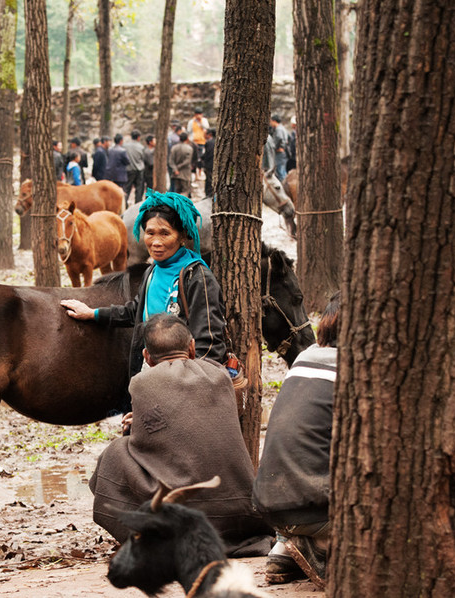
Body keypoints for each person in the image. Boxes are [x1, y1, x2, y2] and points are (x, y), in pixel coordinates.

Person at [89, 315, 272, 555]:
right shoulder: (219, 375)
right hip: (240, 513)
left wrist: (140, 422)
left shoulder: (141, 382)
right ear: (192, 347)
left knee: (115, 453)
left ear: (147, 357)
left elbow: (145, 448)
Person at [60, 190, 228, 412]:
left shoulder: (197, 277)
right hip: (151, 382)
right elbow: (135, 311)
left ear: (182, 235)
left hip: (183, 390)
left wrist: (183, 397)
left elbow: (210, 347)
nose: (155, 242)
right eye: (150, 233)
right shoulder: (152, 271)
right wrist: (94, 314)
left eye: (165, 234)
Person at [252, 292, 341, 590]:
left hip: (269, 502)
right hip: (314, 505)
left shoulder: (306, 357)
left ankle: (284, 548)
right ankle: (323, 543)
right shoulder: (357, 369)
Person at [123, 130, 146, 207]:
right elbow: (143, 158)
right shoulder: (141, 147)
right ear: (138, 137)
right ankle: (137, 205)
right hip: (139, 170)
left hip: (128, 170)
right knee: (139, 189)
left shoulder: (125, 146)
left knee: (127, 188)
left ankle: (124, 204)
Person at [169, 132, 194, 196]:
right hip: (185, 174)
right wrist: (178, 167)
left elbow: (171, 161)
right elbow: (187, 161)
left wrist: (175, 169)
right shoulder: (189, 148)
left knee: (177, 191)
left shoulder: (174, 148)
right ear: (187, 138)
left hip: (176, 174)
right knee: (185, 191)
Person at [269, 114, 290, 182]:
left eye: (271, 121)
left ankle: (284, 187)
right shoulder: (282, 128)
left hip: (279, 153)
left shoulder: (279, 129)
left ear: (274, 121)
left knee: (280, 171)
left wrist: (273, 147)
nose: (270, 123)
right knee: (282, 171)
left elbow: (279, 138)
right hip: (282, 153)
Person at [202, 128, 216, 198]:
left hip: (209, 164)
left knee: (209, 179)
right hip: (213, 164)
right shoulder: (216, 141)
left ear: (209, 134)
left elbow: (207, 154)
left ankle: (209, 194)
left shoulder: (209, 143)